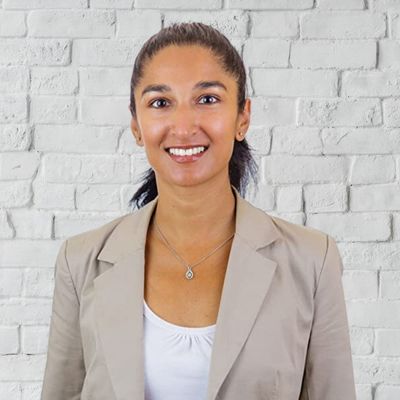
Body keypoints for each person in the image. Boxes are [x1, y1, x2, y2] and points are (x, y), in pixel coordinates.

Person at [40, 22, 356, 400]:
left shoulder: (311, 261)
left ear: (242, 118)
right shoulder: (80, 261)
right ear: (136, 126)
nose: (184, 127)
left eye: (207, 99)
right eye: (161, 103)